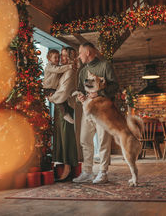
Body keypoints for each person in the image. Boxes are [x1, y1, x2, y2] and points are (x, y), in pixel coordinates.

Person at [73, 42, 119, 184]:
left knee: (103, 140)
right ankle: (87, 172)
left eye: (80, 53)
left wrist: (98, 92)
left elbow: (115, 86)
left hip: (102, 109)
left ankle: (103, 172)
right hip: (87, 108)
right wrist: (80, 96)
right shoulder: (82, 72)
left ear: (88, 52)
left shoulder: (105, 66)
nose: (79, 56)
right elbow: (80, 89)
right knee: (85, 140)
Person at [48, 47, 79, 181]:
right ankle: (62, 166)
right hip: (59, 106)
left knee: (66, 138)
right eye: (61, 55)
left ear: (71, 58)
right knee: (60, 137)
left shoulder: (70, 71)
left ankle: (68, 167)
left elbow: (64, 91)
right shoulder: (63, 69)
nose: (62, 58)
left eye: (66, 56)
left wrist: (52, 98)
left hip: (65, 106)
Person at [43, 49, 74, 124]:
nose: (58, 59)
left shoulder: (57, 66)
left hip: (53, 89)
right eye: (55, 57)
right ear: (49, 59)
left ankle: (66, 113)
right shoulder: (49, 67)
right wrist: (69, 66)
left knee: (63, 102)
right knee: (61, 104)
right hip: (48, 89)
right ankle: (65, 115)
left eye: (58, 57)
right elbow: (58, 70)